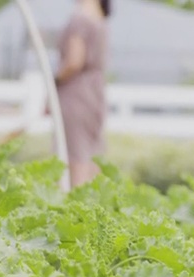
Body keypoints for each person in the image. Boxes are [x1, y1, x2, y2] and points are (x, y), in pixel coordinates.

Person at [55, 0, 111, 188]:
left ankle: (77, 213)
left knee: (76, 158)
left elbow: (73, 62)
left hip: (76, 94)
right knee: (92, 156)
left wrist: (54, 80)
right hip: (94, 93)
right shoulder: (99, 19)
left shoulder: (79, 20)